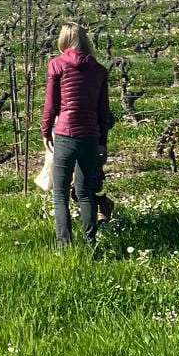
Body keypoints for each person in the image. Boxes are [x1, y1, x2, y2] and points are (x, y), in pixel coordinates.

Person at [42, 22, 111, 249]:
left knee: (60, 194)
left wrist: (45, 131)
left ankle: (64, 247)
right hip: (90, 136)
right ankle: (91, 245)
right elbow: (103, 111)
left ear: (63, 40)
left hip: (65, 134)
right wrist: (103, 142)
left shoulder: (57, 65)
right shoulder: (100, 70)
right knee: (85, 193)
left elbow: (51, 105)